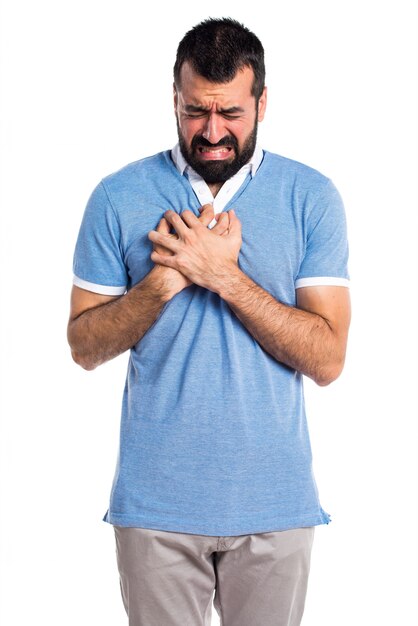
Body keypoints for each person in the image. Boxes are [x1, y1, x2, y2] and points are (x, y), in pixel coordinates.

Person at [67, 17, 351, 626]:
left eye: (231, 114)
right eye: (196, 111)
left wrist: (222, 276)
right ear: (175, 98)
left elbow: (327, 359)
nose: (213, 132)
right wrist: (165, 282)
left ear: (262, 102)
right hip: (155, 505)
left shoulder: (311, 197)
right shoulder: (117, 197)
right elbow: (84, 346)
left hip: (275, 503)